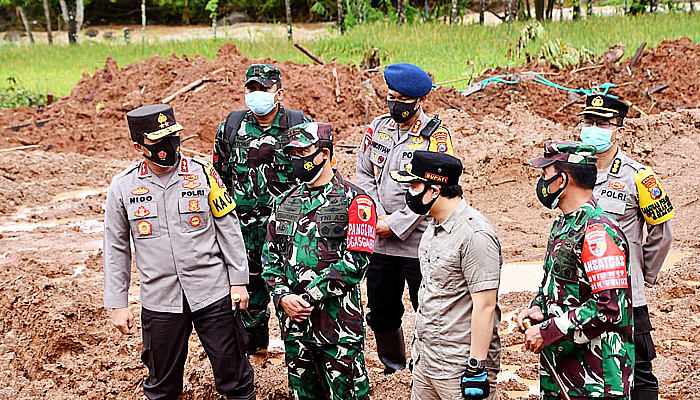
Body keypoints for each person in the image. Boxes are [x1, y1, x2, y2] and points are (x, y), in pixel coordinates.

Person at [104, 104, 255, 400]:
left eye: (173, 136)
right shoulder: (122, 188)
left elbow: (229, 228)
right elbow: (116, 247)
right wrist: (117, 302)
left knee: (235, 377)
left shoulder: (203, 175)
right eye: (158, 140)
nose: (170, 145)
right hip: (160, 300)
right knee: (162, 385)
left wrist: (238, 280)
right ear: (138, 146)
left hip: (213, 293)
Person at [262, 122, 376, 400]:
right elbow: (269, 258)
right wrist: (283, 297)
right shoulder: (285, 202)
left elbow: (356, 263)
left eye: (304, 151)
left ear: (324, 153)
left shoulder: (356, 201)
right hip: (295, 329)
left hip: (338, 328)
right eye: (293, 153)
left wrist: (310, 298)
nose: (297, 159)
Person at [355, 62, 455, 374]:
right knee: (381, 310)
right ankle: (394, 366)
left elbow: (436, 189)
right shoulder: (377, 129)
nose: (394, 104)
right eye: (390, 96)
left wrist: (395, 224)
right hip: (379, 242)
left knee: (428, 309)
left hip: (419, 242)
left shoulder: (435, 138)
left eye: (402, 99)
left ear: (419, 101)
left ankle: (425, 367)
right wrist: (375, 217)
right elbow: (363, 174)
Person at [517, 140, 634, 400]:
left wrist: (549, 331)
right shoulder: (565, 224)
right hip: (564, 371)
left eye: (545, 174)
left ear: (563, 179)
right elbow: (560, 287)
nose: (542, 182)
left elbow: (608, 307)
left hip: (598, 378)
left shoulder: (598, 232)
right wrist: (538, 308)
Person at [577, 94, 673, 400]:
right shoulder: (574, 172)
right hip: (582, 293)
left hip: (626, 297)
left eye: (602, 123)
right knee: (586, 369)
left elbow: (662, 234)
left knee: (639, 373)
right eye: (589, 122)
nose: (593, 129)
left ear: (619, 129)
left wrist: (641, 273)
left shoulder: (639, 177)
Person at [213, 63, 311, 354]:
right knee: (247, 299)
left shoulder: (298, 127)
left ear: (278, 93)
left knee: (292, 295)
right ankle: (255, 353)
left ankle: (300, 359)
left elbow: (312, 176)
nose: (257, 95)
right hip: (242, 234)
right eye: (251, 89)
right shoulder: (231, 128)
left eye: (263, 89)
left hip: (287, 235)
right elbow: (219, 180)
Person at [390, 151, 501, 400]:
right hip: (427, 362)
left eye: (414, 185)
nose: (409, 192)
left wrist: (477, 367)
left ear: (435, 190)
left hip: (460, 369)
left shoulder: (475, 235)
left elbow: (485, 307)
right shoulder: (431, 229)